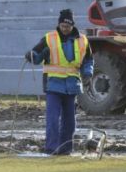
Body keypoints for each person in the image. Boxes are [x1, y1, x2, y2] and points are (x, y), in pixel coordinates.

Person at [25, 9, 94, 155]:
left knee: (70, 122)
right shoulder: (49, 38)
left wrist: (88, 73)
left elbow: (88, 60)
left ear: (72, 25)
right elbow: (36, 56)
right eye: (63, 26)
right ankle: (52, 148)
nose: (65, 29)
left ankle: (66, 149)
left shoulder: (83, 40)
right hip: (53, 84)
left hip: (72, 85)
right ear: (59, 24)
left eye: (67, 27)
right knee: (53, 119)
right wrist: (31, 56)